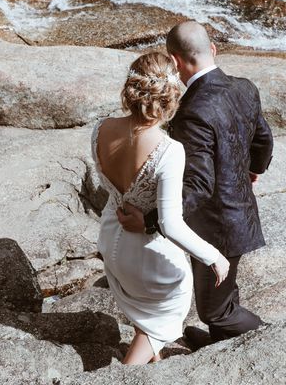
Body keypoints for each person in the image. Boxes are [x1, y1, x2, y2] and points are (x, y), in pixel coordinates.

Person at [117, 21, 274, 351]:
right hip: (240, 212)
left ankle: (272, 338)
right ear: (212, 50)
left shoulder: (192, 111)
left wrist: (148, 221)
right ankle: (220, 344)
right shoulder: (245, 87)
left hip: (217, 226)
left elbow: (198, 186)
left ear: (175, 62)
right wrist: (253, 169)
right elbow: (263, 139)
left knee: (215, 309)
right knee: (223, 290)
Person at [91, 51, 231, 365]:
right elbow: (170, 224)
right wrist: (215, 257)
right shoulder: (169, 151)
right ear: (171, 97)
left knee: (149, 315)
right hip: (146, 258)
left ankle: (153, 369)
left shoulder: (101, 129)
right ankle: (126, 374)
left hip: (112, 242)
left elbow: (108, 186)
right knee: (169, 306)